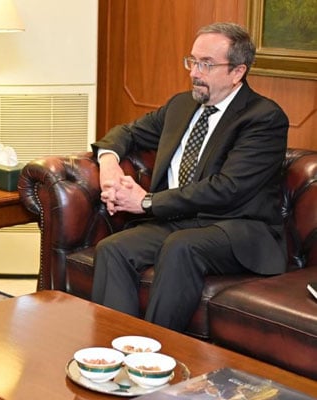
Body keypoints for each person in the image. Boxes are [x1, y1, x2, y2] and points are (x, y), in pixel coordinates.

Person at [90, 22, 289, 333]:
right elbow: (126, 132)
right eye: (192, 61)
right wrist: (109, 163)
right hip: (178, 219)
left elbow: (228, 189)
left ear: (237, 72)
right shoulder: (182, 105)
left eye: (207, 65)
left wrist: (145, 201)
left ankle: (154, 357)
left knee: (182, 246)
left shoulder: (263, 118)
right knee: (113, 249)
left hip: (236, 226)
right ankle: (117, 350)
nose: (195, 72)